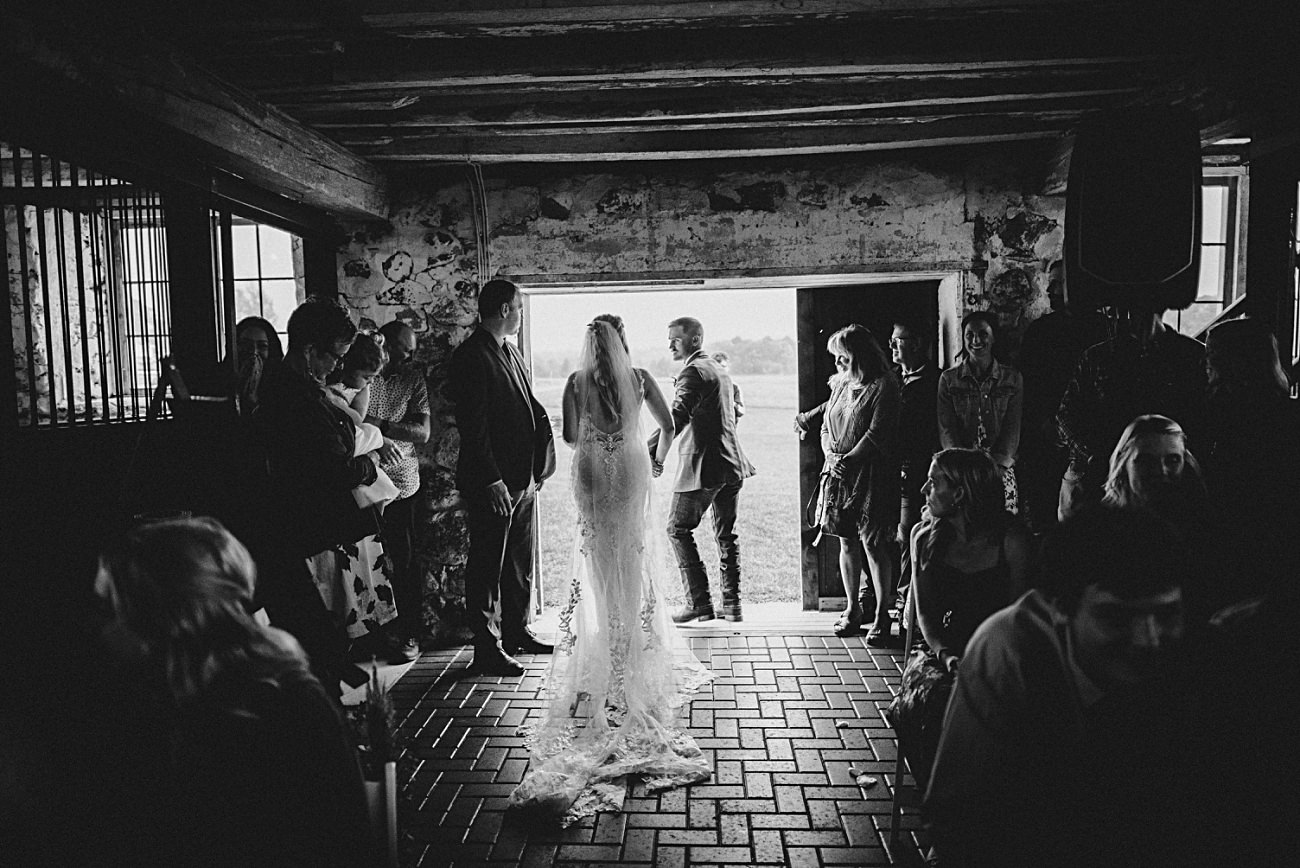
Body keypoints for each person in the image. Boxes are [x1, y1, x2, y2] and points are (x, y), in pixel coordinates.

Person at [508, 315, 712, 824]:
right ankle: (631, 647)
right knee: (633, 560)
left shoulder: (576, 383)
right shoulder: (640, 378)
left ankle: (605, 647)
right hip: (630, 474)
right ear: (623, 344)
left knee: (599, 564)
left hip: (595, 478)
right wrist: (656, 459)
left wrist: (598, 441)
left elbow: (574, 439)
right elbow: (669, 425)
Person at [925, 507, 1208, 868]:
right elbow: (959, 819)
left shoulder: (1200, 646)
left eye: (1166, 615)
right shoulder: (1009, 652)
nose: (1148, 640)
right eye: (1116, 617)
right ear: (1060, 607)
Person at [92, 517, 372, 867]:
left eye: (110, 609)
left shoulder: (283, 710)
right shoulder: (146, 702)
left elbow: (341, 842)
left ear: (165, 616)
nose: (100, 629)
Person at [252, 296, 381, 694]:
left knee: (322, 634)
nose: (338, 366)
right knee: (313, 638)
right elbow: (332, 470)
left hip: (313, 532)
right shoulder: (294, 399)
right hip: (301, 534)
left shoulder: (304, 388)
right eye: (334, 356)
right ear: (308, 350)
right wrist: (369, 466)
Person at [448, 278, 557, 676]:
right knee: (487, 564)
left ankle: (517, 631)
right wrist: (491, 479)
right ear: (506, 309)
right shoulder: (472, 356)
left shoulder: (508, 352)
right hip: (493, 482)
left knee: (517, 562)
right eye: (519, 309)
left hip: (522, 478)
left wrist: (534, 470)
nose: (522, 317)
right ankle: (487, 647)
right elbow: (473, 426)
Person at [794, 324, 900, 643]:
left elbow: (877, 432)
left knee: (873, 543)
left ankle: (882, 615)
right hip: (839, 474)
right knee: (845, 541)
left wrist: (847, 460)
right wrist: (830, 455)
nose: (838, 363)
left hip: (871, 474)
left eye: (843, 357)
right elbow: (827, 427)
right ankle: (852, 608)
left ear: (859, 356)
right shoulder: (839, 384)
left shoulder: (884, 385)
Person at [1056, 306, 1205, 520]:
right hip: (1099, 476)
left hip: (1172, 477)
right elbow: (1066, 414)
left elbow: (1204, 418)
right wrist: (1094, 456)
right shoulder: (1099, 356)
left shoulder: (1191, 355)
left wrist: (1178, 458)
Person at [665, 316, 756, 623]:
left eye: (675, 340)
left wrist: (648, 453)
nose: (670, 345)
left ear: (695, 339)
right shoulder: (719, 370)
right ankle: (732, 605)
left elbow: (674, 420)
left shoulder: (692, 371)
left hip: (704, 467)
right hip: (732, 465)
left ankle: (698, 602)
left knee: (677, 529)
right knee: (726, 535)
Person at [1202, 317, 1300, 602]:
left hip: (1227, 539)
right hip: (1282, 540)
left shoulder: (1214, 416)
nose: (1205, 364)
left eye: (1210, 356)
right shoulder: (1289, 414)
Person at [315, 331, 400, 646]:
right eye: (366, 375)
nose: (368, 381)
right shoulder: (323, 389)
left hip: (352, 449)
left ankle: (366, 627)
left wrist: (334, 405)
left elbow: (356, 421)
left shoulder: (356, 391)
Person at [912, 448, 1029, 675]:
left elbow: (1018, 616)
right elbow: (925, 614)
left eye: (933, 482)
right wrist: (945, 655)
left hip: (1002, 650)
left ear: (959, 494)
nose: (923, 490)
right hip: (944, 651)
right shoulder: (925, 539)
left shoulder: (1011, 540)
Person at [1017, 262, 1110, 532]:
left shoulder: (1104, 329)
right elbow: (1028, 385)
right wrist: (1045, 423)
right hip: (1046, 439)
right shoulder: (1039, 332)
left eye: (1058, 283)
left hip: (1089, 443)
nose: (1050, 289)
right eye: (1050, 282)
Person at [366, 320, 432, 663]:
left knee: (405, 563)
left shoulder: (412, 379)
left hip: (403, 485)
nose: (410, 357)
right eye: (405, 350)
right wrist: (380, 436)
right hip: (363, 484)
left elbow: (422, 433)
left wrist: (381, 428)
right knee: (368, 561)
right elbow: (350, 419)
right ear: (387, 344)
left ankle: (409, 633)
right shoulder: (363, 372)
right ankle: (370, 636)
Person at [937, 311, 1023, 513]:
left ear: (993, 338)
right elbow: (946, 429)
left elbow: (1012, 427)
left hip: (999, 469)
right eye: (970, 335)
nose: (976, 340)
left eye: (983, 334)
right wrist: (963, 470)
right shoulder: (949, 380)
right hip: (961, 472)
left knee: (1000, 527)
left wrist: (997, 468)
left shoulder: (1012, 378)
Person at [890, 318, 940, 614]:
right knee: (891, 534)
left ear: (918, 344)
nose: (893, 345)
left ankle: (908, 601)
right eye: (893, 340)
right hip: (890, 471)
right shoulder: (891, 378)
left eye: (900, 339)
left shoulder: (935, 381)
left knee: (912, 533)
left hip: (921, 470)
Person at [711, 351, 745, 419]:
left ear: (728, 368)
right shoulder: (703, 387)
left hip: (728, 428)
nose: (721, 370)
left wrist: (731, 403)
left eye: (723, 367)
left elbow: (741, 411)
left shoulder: (734, 388)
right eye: (717, 367)